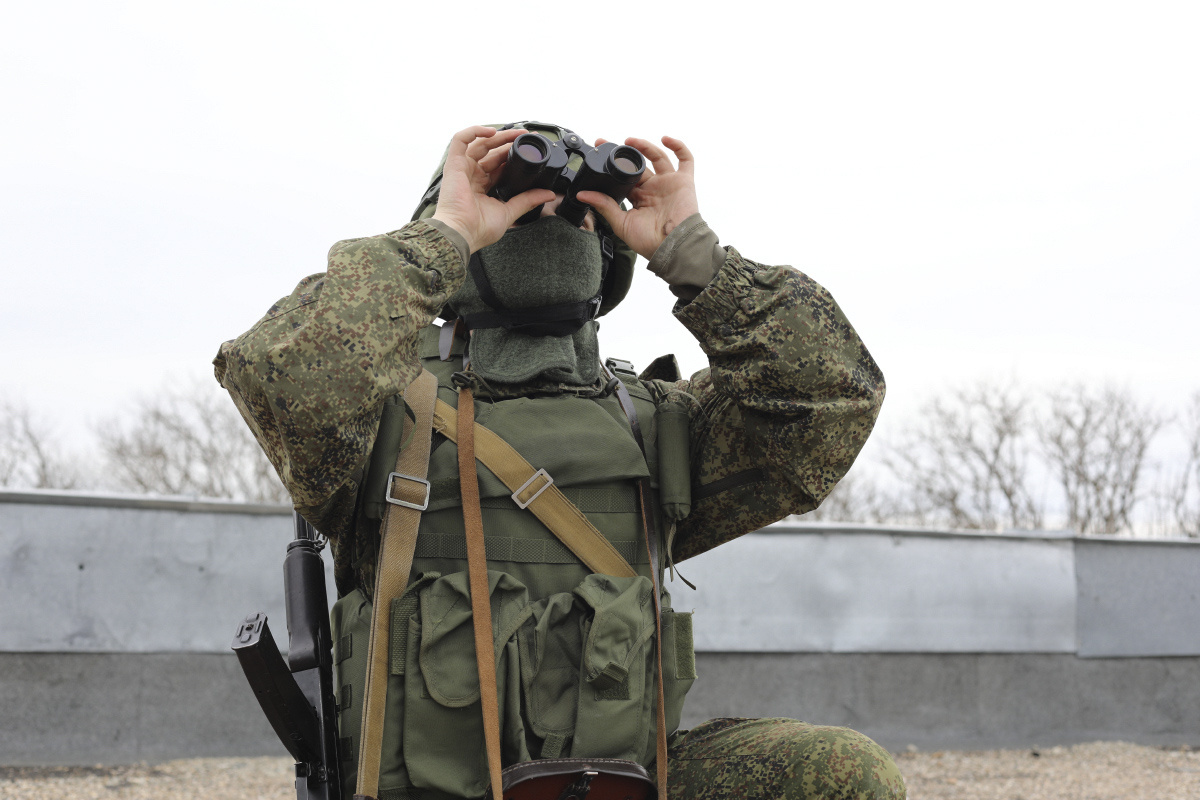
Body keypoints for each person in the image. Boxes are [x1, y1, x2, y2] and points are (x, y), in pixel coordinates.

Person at [215, 122, 905, 800]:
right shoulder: (378, 416)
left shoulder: (652, 424)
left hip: (617, 786)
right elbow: (284, 370)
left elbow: (830, 399)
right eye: (519, 203)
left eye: (577, 212)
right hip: (426, 789)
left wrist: (695, 258)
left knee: (843, 775)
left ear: (606, 254)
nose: (550, 219)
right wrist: (445, 237)